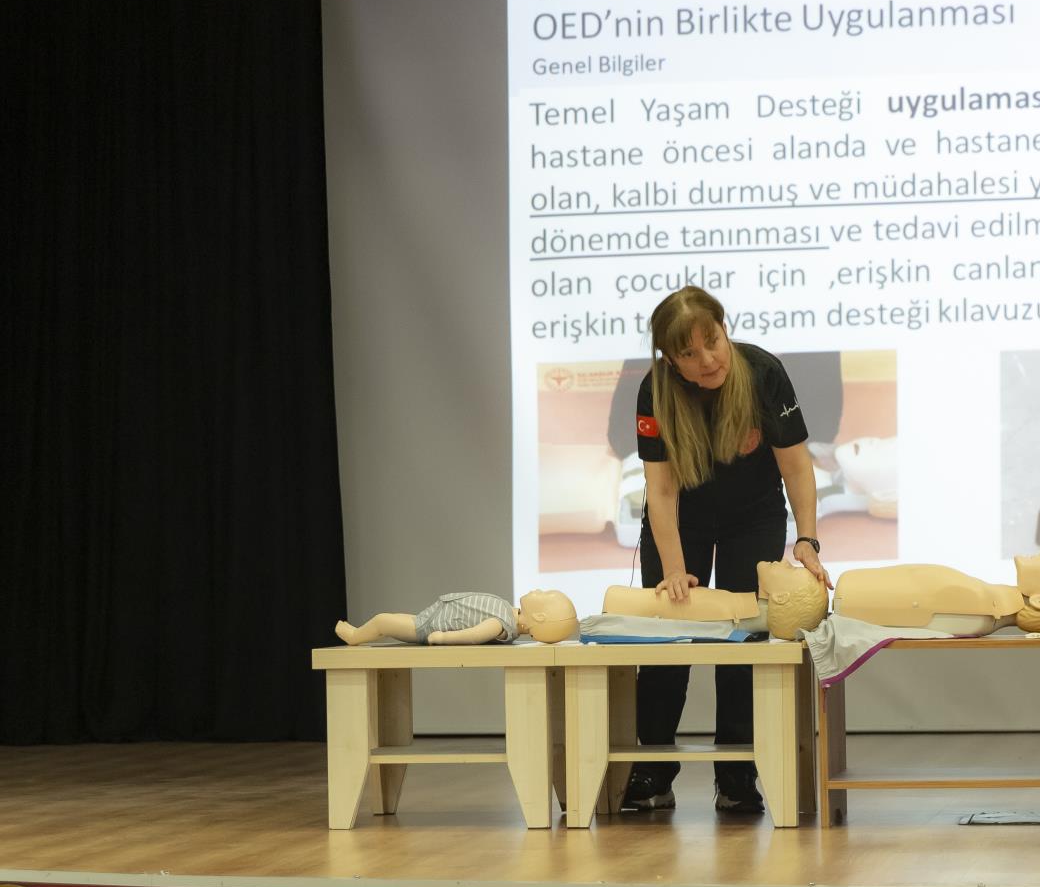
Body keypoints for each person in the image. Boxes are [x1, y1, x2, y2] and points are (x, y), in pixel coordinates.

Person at [624, 287, 831, 815]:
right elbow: (661, 491)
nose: (708, 360)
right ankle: (652, 771)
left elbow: (796, 466)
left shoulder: (763, 373)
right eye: (689, 353)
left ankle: (737, 775)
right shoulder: (655, 391)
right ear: (670, 358)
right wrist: (674, 569)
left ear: (724, 328)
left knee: (745, 642)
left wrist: (807, 540)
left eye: (712, 341)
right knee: (666, 643)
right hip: (681, 520)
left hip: (753, 516)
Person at [333, 589, 578, 645]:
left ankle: (355, 636)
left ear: (540, 616)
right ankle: (359, 634)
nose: (537, 589)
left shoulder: (500, 623)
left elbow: (473, 635)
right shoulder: (509, 614)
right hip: (432, 617)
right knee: (392, 619)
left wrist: (441, 638)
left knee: (383, 621)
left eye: (542, 594)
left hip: (429, 626)